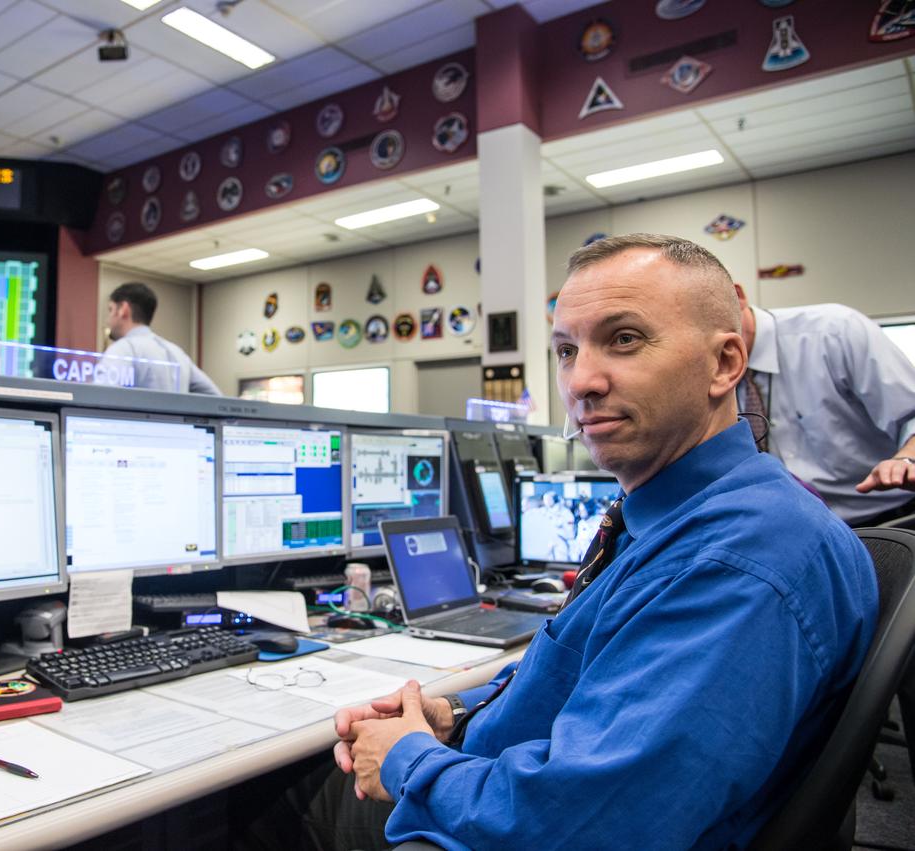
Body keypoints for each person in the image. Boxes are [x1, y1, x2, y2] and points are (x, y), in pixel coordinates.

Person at [237, 235, 877, 850]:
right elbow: (580, 669)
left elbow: (581, 825)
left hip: (506, 822)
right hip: (502, 778)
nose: (581, 382)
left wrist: (407, 758)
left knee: (256, 801)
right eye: (567, 350)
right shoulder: (675, 515)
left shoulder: (736, 559)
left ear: (725, 363)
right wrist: (452, 717)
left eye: (624, 340)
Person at [733, 284, 915, 526]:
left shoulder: (835, 331)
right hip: (802, 530)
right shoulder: (707, 372)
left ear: (737, 297)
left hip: (891, 519)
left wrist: (905, 461)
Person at [100, 282, 221, 395]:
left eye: (111, 310)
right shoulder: (178, 353)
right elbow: (216, 398)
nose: (107, 320)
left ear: (123, 310)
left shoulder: (123, 349)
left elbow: (102, 397)